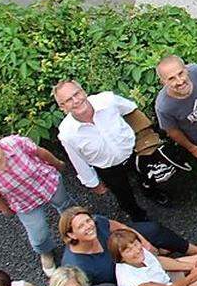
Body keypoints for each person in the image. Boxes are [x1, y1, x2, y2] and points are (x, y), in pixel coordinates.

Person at [53, 80, 164, 221]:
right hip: (108, 168)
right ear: (62, 107)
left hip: (133, 151)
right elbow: (78, 161)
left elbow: (130, 109)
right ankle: (137, 215)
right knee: (123, 194)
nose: (76, 100)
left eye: (77, 93)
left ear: (83, 91)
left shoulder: (108, 100)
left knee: (147, 175)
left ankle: (152, 192)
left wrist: (145, 134)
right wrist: (93, 183)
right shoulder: (67, 133)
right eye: (68, 100)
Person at [0, 131, 74, 275]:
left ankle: (74, 234)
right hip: (23, 202)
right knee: (38, 234)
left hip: (48, 183)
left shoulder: (16, 143)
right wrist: (4, 209)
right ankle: (46, 252)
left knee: (67, 208)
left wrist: (57, 164)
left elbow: (40, 153)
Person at [58, 206, 197, 286]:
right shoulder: (76, 265)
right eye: (81, 226)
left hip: (132, 253)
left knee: (153, 230)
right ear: (71, 235)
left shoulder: (98, 223)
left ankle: (194, 249)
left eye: (88, 220)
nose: (89, 226)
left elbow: (120, 227)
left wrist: (144, 243)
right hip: (127, 280)